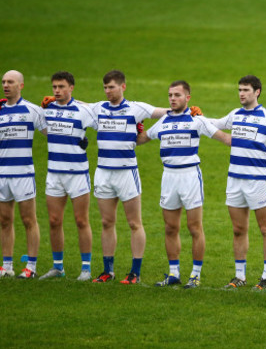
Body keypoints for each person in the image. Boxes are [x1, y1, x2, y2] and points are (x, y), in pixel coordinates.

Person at [137, 80, 230, 288]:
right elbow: (142, 139)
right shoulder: (163, 121)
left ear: (187, 98)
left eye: (177, 95)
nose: (172, 99)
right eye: (170, 95)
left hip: (190, 177)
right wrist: (132, 128)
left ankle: (195, 275)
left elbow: (225, 138)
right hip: (168, 177)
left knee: (194, 227)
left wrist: (254, 138)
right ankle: (173, 273)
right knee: (170, 227)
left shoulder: (197, 119)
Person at [208, 75, 266, 291]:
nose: (241, 94)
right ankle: (239, 276)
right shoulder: (234, 115)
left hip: (258, 182)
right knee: (238, 229)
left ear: (257, 92)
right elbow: (213, 124)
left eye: (245, 90)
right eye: (239, 90)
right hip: (234, 181)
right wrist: (194, 117)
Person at [87, 70, 168, 284]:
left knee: (134, 223)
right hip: (103, 172)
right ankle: (107, 270)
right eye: (105, 87)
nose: (107, 91)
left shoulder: (136, 108)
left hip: (126, 172)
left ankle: (135, 272)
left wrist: (190, 111)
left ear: (123, 87)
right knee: (106, 222)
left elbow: (165, 112)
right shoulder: (98, 109)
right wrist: (51, 103)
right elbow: (75, 106)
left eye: (111, 87)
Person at [39, 71, 97, 281]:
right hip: (54, 173)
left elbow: (105, 124)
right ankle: (58, 267)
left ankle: (86, 269)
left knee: (81, 221)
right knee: (54, 221)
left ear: (71, 88)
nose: (57, 91)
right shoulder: (46, 110)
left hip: (77, 174)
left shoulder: (84, 111)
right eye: (54, 87)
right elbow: (44, 129)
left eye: (61, 87)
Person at [0, 70, 47, 279]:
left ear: (21, 85)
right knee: (4, 220)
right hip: (2, 174)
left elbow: (51, 133)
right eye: (3, 82)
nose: (5, 85)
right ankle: (7, 265)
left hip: (23, 175)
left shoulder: (32, 110)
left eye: (10, 82)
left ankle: (31, 266)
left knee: (29, 219)